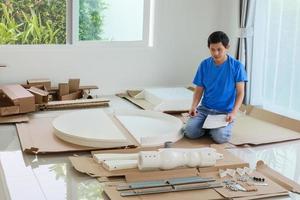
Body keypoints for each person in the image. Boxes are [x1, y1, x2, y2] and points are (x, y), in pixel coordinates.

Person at [183, 31, 247, 144]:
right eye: (212, 49)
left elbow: (240, 92)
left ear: (227, 47)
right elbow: (199, 90)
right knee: (189, 132)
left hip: (224, 112)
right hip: (205, 109)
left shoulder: (237, 66)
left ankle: (214, 127)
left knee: (221, 137)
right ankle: (209, 127)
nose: (215, 53)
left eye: (219, 49)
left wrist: (233, 113)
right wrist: (193, 106)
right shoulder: (204, 65)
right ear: (209, 47)